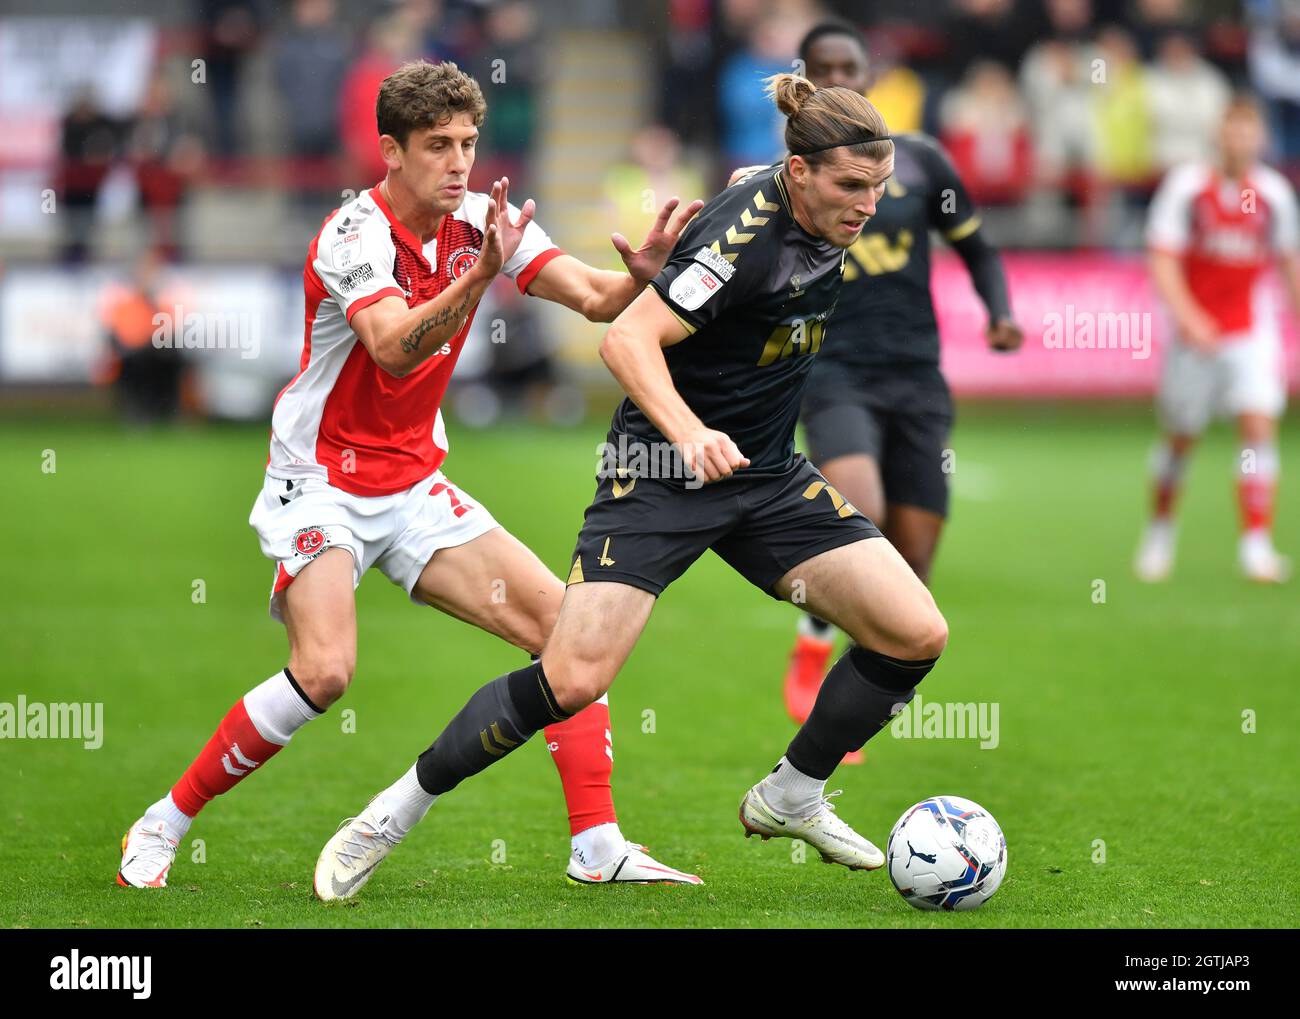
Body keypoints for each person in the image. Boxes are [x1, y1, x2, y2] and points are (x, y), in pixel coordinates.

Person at [315, 73, 949, 899]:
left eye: (879, 186)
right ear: (800, 174)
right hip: (657, 476)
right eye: (852, 186)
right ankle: (391, 813)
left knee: (915, 630)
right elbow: (626, 342)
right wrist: (688, 433)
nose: (868, 204)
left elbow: (740, 196)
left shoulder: (797, 196)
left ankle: (792, 793)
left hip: (763, 474)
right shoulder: (744, 238)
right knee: (572, 678)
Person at [117, 60, 707, 894]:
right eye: (438, 146)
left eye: (468, 142)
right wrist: (480, 273)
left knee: (568, 632)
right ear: (391, 151)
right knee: (325, 672)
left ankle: (597, 844)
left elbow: (595, 296)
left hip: (413, 483)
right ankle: (164, 820)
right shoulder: (350, 236)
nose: (460, 162)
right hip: (319, 479)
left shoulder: (485, 220)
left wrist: (641, 275)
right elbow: (393, 346)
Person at [777, 23, 1021, 734]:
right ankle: (813, 643)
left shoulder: (920, 165)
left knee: (912, 563)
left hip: (916, 374)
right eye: (824, 69)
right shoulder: (788, 177)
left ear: (870, 74)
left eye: (851, 67)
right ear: (805, 83)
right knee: (863, 512)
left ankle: (846, 699)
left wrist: (1000, 312)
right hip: (832, 369)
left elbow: (977, 248)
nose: (840, 78)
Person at [1136, 95, 1300, 583]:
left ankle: (1256, 545)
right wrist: (1189, 317)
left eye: (1249, 131)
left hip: (1250, 332)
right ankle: (1159, 533)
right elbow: (1163, 258)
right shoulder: (1186, 188)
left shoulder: (1273, 193)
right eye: (1232, 130)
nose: (1239, 140)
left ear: (1260, 139)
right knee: (1181, 438)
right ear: (1218, 135)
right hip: (1195, 338)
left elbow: (1289, 263)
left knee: (1257, 429)